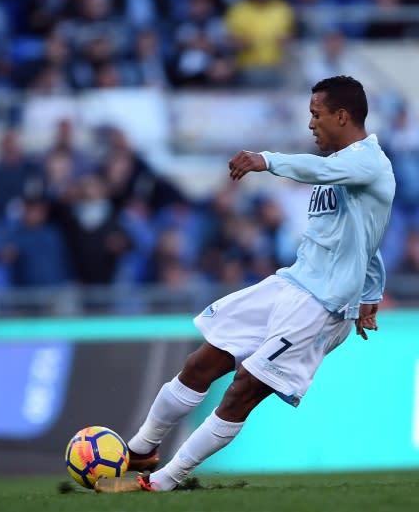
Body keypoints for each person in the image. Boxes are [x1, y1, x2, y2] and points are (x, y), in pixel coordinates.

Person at [95, 75, 394, 493]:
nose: (311, 125)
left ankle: (163, 481)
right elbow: (369, 240)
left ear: (342, 116)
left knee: (243, 389)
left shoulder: (368, 162)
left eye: (316, 115)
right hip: (290, 284)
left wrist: (266, 160)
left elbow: (323, 176)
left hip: (323, 307)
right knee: (203, 361)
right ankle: (143, 447)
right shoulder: (346, 171)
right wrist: (371, 294)